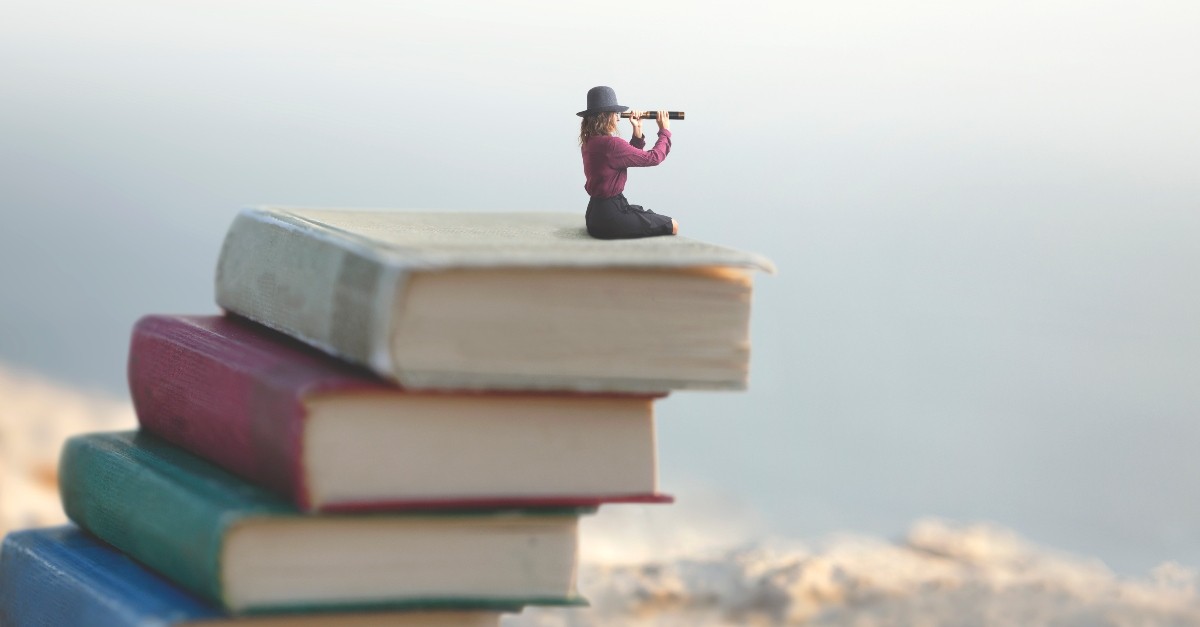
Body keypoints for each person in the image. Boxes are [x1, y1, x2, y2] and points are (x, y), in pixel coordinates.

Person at [577, 86, 678, 239]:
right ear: (605, 116)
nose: (618, 118)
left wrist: (637, 131)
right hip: (611, 218)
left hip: (594, 216)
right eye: (615, 113)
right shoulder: (612, 144)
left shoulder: (589, 142)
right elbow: (654, 158)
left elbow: (624, 159)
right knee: (672, 225)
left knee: (645, 213)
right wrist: (664, 131)